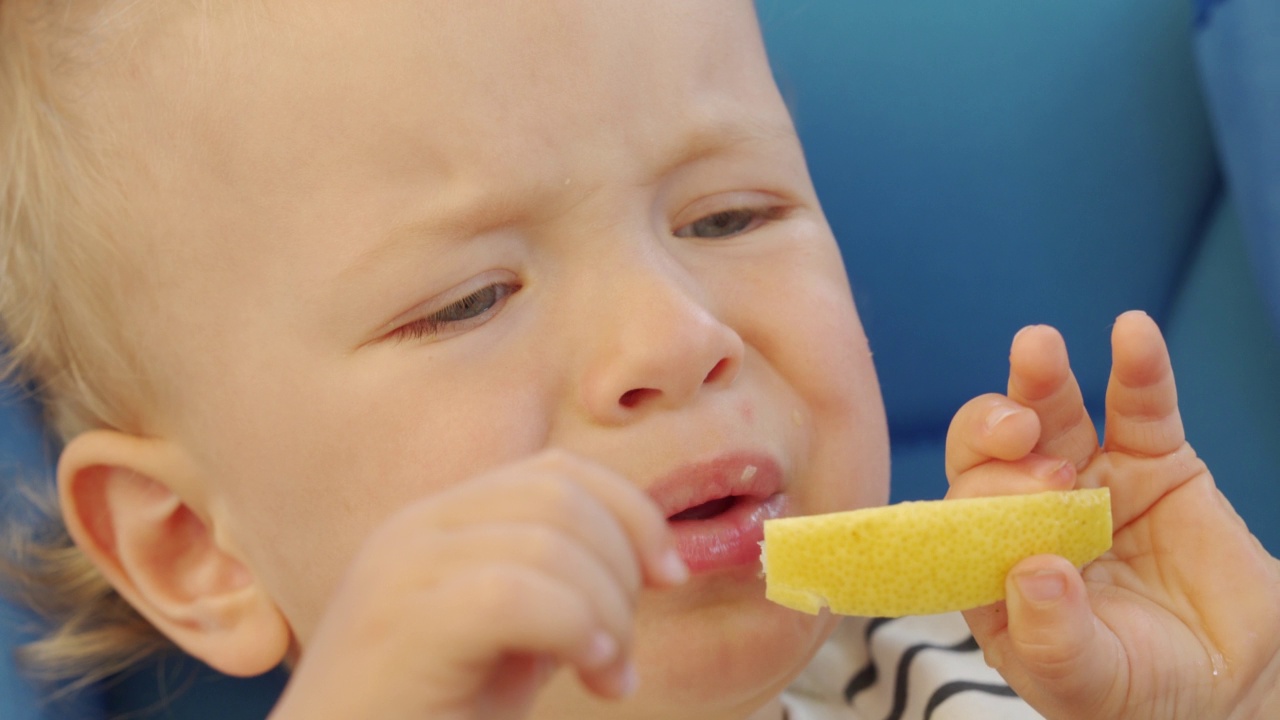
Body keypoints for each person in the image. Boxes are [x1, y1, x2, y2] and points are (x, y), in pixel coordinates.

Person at [0, 1, 1275, 718]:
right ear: (195, 549)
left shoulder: (974, 679)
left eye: (727, 218)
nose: (675, 342)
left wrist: (1232, 687)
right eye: (466, 300)